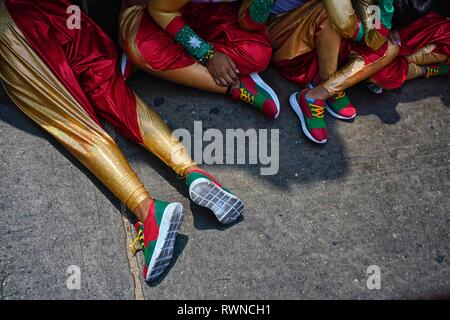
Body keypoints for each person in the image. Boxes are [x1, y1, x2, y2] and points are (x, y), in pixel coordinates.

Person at [0, 0, 244, 284]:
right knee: (114, 93)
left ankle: (147, 211)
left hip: (16, 30)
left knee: (76, 126)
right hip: (64, 13)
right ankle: (192, 171)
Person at [119, 0, 281, 119]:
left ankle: (165, 63)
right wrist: (207, 54)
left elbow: (248, 24)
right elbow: (161, 11)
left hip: (216, 12)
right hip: (163, 10)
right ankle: (236, 85)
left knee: (256, 55)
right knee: (143, 50)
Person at [267, 0, 400, 144]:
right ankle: (326, 79)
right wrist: (367, 30)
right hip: (286, 35)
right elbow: (346, 24)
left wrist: (384, 11)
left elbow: (374, 37)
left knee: (390, 47)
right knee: (329, 12)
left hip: (333, 35)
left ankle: (321, 91)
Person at [367, 0, 449, 90]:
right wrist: (387, 23)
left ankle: (431, 70)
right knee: (380, 71)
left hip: (428, 22)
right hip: (386, 19)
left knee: (383, 73)